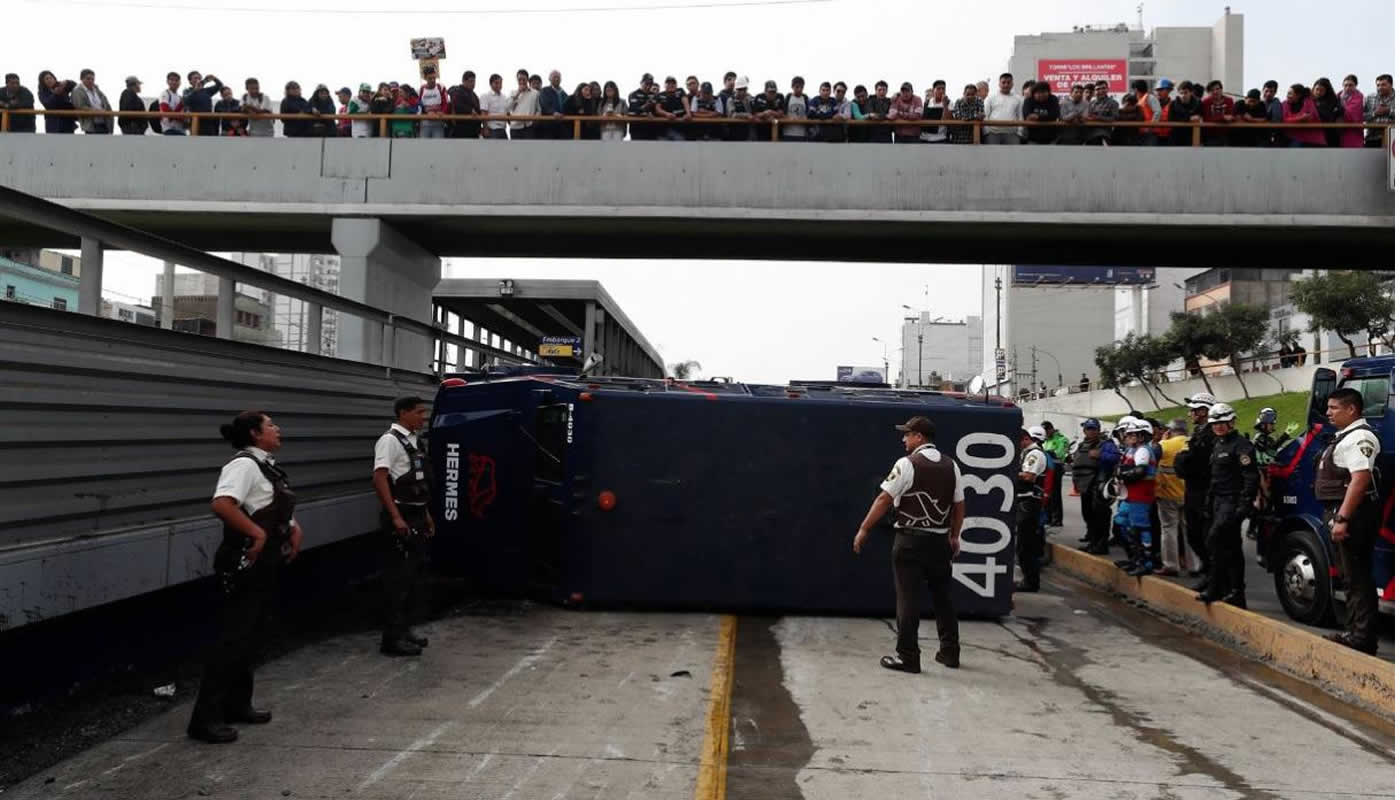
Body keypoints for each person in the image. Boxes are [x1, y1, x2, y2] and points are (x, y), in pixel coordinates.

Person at [189, 411, 302, 744]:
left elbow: (267, 505)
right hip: (244, 561)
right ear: (255, 433)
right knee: (231, 639)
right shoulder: (243, 465)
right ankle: (204, 720)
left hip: (264, 562)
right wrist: (258, 534)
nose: (277, 429)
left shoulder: (266, 466)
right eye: (270, 426)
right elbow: (223, 504)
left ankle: (238, 705)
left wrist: (294, 529)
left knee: (250, 636)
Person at [853, 416, 962, 672]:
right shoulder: (952, 466)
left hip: (910, 541)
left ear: (919, 437)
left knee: (908, 599)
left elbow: (884, 498)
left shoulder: (907, 464)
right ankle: (950, 652)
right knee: (943, 598)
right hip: (939, 541)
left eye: (907, 434)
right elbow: (959, 505)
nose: (904, 439)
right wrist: (954, 535)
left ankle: (908, 656)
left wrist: (864, 529)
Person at [1316, 388, 1383, 654]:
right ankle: (1355, 631)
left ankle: (1363, 638)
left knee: (1357, 577)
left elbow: (1360, 479)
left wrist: (1342, 518)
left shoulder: (1360, 437)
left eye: (1334, 408)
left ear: (1351, 409)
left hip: (1353, 514)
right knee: (1349, 575)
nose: (1328, 413)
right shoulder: (1344, 437)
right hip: (1343, 511)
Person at [372, 397, 436, 657]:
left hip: (418, 514)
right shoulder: (389, 441)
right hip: (402, 516)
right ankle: (391, 640)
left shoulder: (414, 441)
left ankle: (405, 630)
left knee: (411, 578)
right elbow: (380, 478)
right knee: (397, 580)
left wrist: (427, 515)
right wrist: (396, 516)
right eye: (419, 412)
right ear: (403, 413)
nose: (424, 417)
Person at [1195, 403, 1257, 607]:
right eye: (1215, 423)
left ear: (1232, 422)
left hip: (1232, 501)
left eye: (1222, 423)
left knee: (1216, 541)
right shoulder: (1218, 444)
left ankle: (1216, 588)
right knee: (1231, 547)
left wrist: (1245, 504)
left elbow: (1250, 477)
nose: (1218, 427)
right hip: (1217, 501)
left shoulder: (1242, 445)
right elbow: (1215, 477)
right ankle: (1235, 591)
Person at [1175, 392, 1217, 586]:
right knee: (1194, 534)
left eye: (1194, 409)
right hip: (1193, 490)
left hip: (1205, 492)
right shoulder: (1199, 433)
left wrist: (1183, 460)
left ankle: (1213, 575)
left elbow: (1194, 462)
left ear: (1203, 411)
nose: (1191, 413)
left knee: (1206, 536)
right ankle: (1208, 569)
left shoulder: (1211, 435)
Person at [1112, 419, 1158, 577]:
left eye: (1133, 434)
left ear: (1142, 436)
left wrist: (1122, 475)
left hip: (1141, 494)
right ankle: (1134, 558)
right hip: (1130, 494)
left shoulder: (1143, 451)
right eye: (1128, 433)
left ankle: (1146, 562)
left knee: (1139, 527)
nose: (1129, 436)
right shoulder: (1131, 450)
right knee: (1121, 523)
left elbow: (1140, 471)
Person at [1154, 419, 1196, 576]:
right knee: (1190, 530)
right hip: (1190, 494)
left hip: (1167, 494)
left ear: (1170, 431)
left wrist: (1163, 441)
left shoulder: (1164, 445)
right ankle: (1194, 565)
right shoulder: (1193, 443)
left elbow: (1151, 458)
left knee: (1168, 530)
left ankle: (1171, 565)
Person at [1071, 418, 1117, 554]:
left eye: (1093, 429)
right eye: (1088, 429)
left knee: (1100, 516)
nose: (1091, 431)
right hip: (1084, 485)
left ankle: (1101, 544)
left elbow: (1115, 457)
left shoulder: (1106, 444)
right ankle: (1092, 541)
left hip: (1099, 485)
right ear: (1084, 430)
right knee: (1088, 514)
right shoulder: (1081, 445)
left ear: (1098, 430)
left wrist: (1101, 455)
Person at [1014, 426, 1049, 592]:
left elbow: (1029, 476)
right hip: (1024, 502)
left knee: (1026, 545)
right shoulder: (1026, 453)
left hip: (1029, 503)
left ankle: (1031, 581)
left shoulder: (1034, 454)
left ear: (1025, 439)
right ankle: (1028, 579)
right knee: (1022, 545)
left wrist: (1010, 471)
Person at [1041, 421, 1069, 527]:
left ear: (1052, 428)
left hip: (1056, 468)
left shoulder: (1061, 439)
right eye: (1045, 431)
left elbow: (1060, 453)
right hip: (1045, 468)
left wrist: (1048, 452)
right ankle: (1047, 517)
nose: (1047, 432)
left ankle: (1057, 519)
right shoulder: (1044, 440)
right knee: (1046, 493)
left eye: (1048, 430)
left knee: (1055, 494)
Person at [1282, 83, 1326, 147]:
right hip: (1294, 137)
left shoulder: (1308, 102)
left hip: (1312, 139)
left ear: (1298, 95)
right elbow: (1284, 120)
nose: (1287, 96)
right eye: (1287, 93)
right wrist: (1301, 118)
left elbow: (1309, 118)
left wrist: (1293, 119)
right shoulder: (1285, 104)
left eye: (1290, 94)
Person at [71, 69, 112, 135]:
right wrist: (98, 112)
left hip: (104, 123)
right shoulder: (77, 91)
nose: (91, 81)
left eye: (92, 79)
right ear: (81, 79)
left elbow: (106, 104)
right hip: (91, 125)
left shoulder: (97, 90)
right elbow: (80, 107)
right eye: (88, 79)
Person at [983, 72, 1021, 145]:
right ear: (999, 84)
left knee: (1014, 156)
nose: (1006, 85)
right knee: (992, 156)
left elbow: (1020, 116)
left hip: (1012, 134)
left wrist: (1019, 133)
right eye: (1003, 82)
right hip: (993, 134)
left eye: (1008, 82)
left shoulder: (1018, 99)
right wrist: (987, 132)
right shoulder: (990, 98)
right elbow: (985, 115)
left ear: (1012, 84)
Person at [183, 71, 224, 136]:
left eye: (199, 78)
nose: (198, 80)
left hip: (208, 122)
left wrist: (214, 78)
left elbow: (220, 85)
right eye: (195, 78)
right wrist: (195, 90)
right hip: (195, 122)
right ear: (190, 81)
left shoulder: (207, 91)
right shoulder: (187, 91)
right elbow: (185, 101)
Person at [38, 70, 78, 134]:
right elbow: (47, 104)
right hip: (53, 124)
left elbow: (76, 87)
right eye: (46, 79)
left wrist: (67, 82)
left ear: (54, 78)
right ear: (43, 82)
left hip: (67, 121)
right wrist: (55, 94)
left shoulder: (61, 85)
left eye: (51, 78)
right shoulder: (42, 92)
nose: (49, 80)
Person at [1165, 81, 1203, 146]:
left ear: (1191, 92)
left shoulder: (1198, 103)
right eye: (1181, 93)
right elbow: (1170, 120)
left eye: (1185, 93)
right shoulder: (1173, 104)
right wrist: (1189, 118)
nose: (1183, 95)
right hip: (1176, 138)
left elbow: (1200, 118)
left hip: (1192, 138)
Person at [1198, 80, 1234, 146]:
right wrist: (1222, 117)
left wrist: (1218, 118)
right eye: (1212, 90)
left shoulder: (1229, 100)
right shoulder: (1205, 102)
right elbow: (1207, 119)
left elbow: (1230, 117)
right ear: (1209, 92)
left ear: (1221, 89)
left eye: (1217, 89)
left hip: (1226, 134)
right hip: (1210, 135)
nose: (1215, 92)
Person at [653, 76, 690, 141]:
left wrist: (688, 113)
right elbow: (657, 109)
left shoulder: (680, 91)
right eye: (668, 83)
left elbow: (685, 102)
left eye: (673, 83)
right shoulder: (660, 95)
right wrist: (666, 114)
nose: (671, 85)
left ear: (676, 85)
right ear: (665, 85)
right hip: (664, 129)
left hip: (680, 129)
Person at [507, 70, 539, 140]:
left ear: (527, 79)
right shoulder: (513, 92)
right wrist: (518, 93)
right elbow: (507, 108)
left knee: (529, 150)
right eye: (519, 79)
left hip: (529, 127)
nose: (521, 81)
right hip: (515, 127)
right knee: (516, 150)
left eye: (523, 79)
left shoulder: (535, 93)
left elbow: (538, 109)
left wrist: (534, 120)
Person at [1363, 74, 1393, 148]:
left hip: (1393, 138)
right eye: (1378, 85)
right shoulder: (1369, 98)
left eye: (1383, 85)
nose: (1380, 87)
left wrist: (1388, 111)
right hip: (1372, 138)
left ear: (1391, 85)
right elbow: (1361, 116)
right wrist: (1374, 113)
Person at [448, 71, 481, 139]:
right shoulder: (457, 91)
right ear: (463, 81)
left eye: (474, 81)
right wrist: (470, 110)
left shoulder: (474, 95)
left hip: (474, 131)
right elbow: (457, 105)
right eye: (471, 81)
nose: (473, 84)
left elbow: (478, 109)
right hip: (461, 130)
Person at [1084, 80, 1118, 145]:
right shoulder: (1091, 103)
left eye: (1103, 88)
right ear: (1095, 91)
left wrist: (1097, 118)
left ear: (1107, 89)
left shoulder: (1113, 103)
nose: (1101, 91)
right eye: (1098, 89)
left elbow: (1114, 118)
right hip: (1088, 135)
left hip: (1103, 135)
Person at [538, 70, 568, 140]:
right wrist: (553, 112)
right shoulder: (544, 90)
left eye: (558, 77)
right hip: (549, 124)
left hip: (562, 125)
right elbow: (544, 104)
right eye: (554, 77)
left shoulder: (564, 93)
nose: (556, 79)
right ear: (549, 79)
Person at [627, 73, 658, 141]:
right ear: (641, 83)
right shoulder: (633, 94)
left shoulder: (654, 95)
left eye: (650, 84)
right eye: (646, 84)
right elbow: (634, 111)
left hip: (651, 129)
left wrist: (653, 113)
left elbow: (657, 110)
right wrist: (647, 106)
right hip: (637, 129)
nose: (648, 86)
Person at [1338, 74, 1365, 148]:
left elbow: (1351, 113)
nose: (1347, 87)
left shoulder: (1359, 96)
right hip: (1339, 132)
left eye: (1350, 85)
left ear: (1355, 85)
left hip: (1353, 132)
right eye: (1345, 85)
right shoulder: (1338, 95)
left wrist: (1338, 111)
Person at [725, 77, 756, 142]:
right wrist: (746, 115)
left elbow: (754, 112)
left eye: (743, 89)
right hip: (734, 133)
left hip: (748, 134)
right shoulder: (731, 100)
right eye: (739, 89)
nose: (742, 92)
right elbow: (732, 115)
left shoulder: (749, 100)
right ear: (736, 89)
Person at [481, 74, 509, 139]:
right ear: (491, 84)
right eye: (496, 83)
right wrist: (485, 129)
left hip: (503, 129)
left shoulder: (504, 97)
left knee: (505, 149)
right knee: (493, 149)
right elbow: (483, 113)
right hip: (492, 129)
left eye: (500, 83)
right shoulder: (485, 96)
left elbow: (507, 113)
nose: (499, 85)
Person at [781, 76, 809, 142]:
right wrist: (788, 118)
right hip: (788, 133)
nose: (799, 89)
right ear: (792, 87)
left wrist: (805, 118)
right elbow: (783, 112)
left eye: (801, 87)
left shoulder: (805, 97)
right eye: (797, 87)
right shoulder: (788, 97)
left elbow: (808, 113)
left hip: (802, 133)